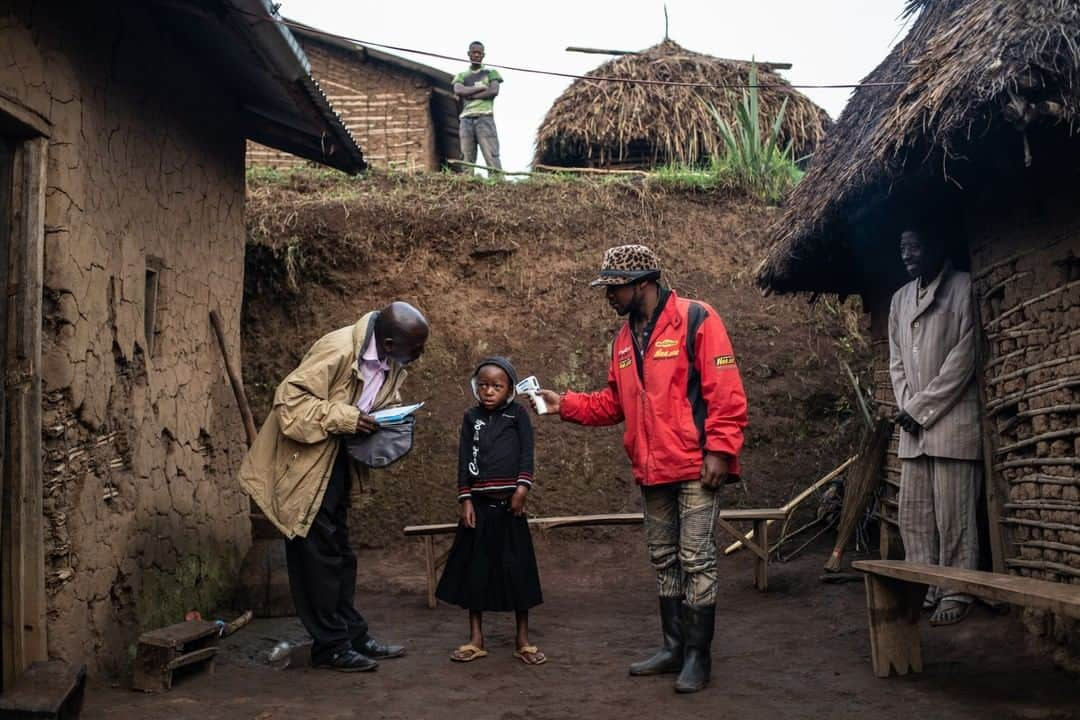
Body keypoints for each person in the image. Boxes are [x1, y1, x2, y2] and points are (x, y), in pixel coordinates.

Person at [531, 245, 747, 693]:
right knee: (664, 560)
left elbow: (725, 392)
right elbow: (615, 402)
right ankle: (672, 647)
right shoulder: (623, 341)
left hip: (694, 465)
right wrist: (563, 403)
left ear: (643, 283)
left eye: (615, 287)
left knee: (696, 559)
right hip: (651, 469)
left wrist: (719, 451)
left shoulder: (696, 318)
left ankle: (696, 656)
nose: (608, 296)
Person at [239, 302, 429, 671]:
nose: (419, 357)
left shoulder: (390, 359)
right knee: (317, 560)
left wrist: (390, 421)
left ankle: (351, 635)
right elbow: (290, 405)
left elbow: (371, 402)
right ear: (388, 343)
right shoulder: (339, 348)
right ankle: (330, 647)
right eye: (415, 350)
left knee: (340, 554)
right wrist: (347, 417)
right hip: (303, 468)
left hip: (335, 465)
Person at [888, 230, 981, 626]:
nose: (906, 253)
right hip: (914, 429)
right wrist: (908, 406)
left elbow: (965, 356)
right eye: (903, 246)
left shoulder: (963, 288)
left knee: (954, 516)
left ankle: (957, 590)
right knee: (914, 515)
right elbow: (895, 359)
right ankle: (925, 585)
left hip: (952, 423)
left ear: (937, 246)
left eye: (915, 245)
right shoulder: (899, 298)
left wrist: (921, 408)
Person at [436, 357, 546, 665]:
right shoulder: (471, 418)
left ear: (510, 389)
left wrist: (522, 490)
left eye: (497, 386)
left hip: (510, 508)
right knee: (476, 574)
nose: (488, 391)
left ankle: (522, 641)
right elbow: (462, 461)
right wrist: (465, 499)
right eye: (483, 385)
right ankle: (476, 639)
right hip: (479, 509)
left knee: (518, 573)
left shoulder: (517, 416)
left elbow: (526, 454)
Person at [452, 41, 503, 173]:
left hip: (484, 117)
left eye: (479, 53)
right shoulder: (461, 75)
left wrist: (471, 95)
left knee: (491, 154)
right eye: (473, 52)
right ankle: (467, 185)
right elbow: (458, 90)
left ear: (483, 55)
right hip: (465, 119)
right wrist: (480, 88)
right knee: (466, 156)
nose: (476, 55)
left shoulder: (491, 72)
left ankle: (497, 182)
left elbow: (493, 91)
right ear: (468, 54)